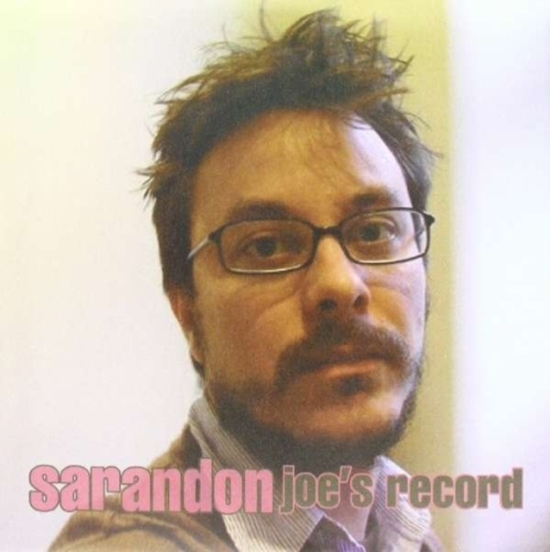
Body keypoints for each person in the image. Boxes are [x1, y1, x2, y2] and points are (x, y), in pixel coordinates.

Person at [51, 9, 442, 551]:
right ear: (189, 315)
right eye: (266, 246)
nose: (339, 284)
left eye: (375, 231)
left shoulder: (401, 527)